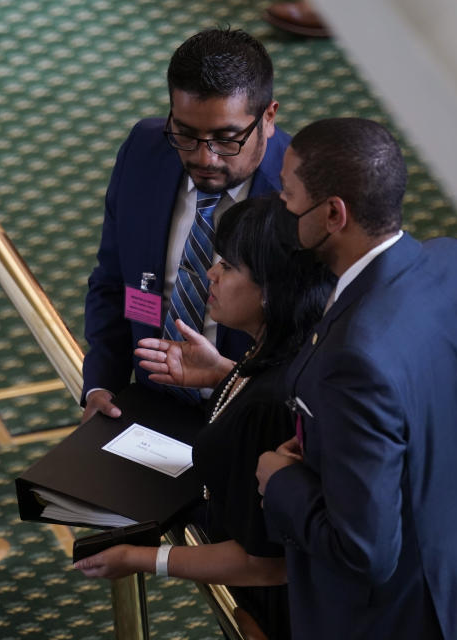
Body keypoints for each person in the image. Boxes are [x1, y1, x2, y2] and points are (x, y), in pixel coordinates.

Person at [256, 117, 457, 639]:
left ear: (334, 213)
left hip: (402, 618)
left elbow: (364, 551)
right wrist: (399, 466)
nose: (282, 207)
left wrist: (283, 481)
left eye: (287, 194)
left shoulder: (356, 356)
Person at [75, 195, 335, 640]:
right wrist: (223, 374)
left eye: (229, 267)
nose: (210, 273)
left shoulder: (275, 398)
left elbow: (266, 563)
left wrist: (138, 559)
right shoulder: (277, 353)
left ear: (271, 291)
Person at [81, 27, 291, 422]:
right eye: (186, 134)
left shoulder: (300, 196)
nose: (205, 158)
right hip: (146, 404)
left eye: (227, 139)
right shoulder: (145, 149)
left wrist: (233, 380)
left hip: (249, 414)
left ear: (269, 117)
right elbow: (113, 282)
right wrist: (100, 385)